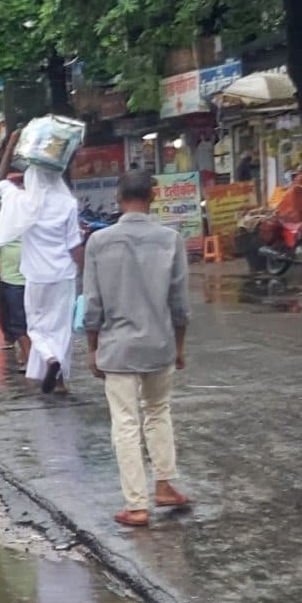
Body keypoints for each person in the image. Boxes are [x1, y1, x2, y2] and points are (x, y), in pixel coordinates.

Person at [83, 171, 192, 529]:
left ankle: (136, 505)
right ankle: (164, 485)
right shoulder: (170, 239)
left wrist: (92, 349)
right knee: (158, 411)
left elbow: (93, 305)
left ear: (118, 197)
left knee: (125, 423)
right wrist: (178, 346)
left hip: (117, 348)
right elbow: (179, 303)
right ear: (153, 195)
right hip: (159, 343)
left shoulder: (99, 242)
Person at [12, 161, 86, 394]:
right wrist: (88, 269)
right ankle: (60, 381)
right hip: (64, 275)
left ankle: (50, 359)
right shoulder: (68, 204)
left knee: (36, 327)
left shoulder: (24, 204)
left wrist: (11, 144)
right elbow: (74, 245)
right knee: (62, 328)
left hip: (35, 277)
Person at [0, 172, 31, 369]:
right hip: (12, 279)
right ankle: (29, 357)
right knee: (18, 320)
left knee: (35, 321)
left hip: (36, 277)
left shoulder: (35, 214)